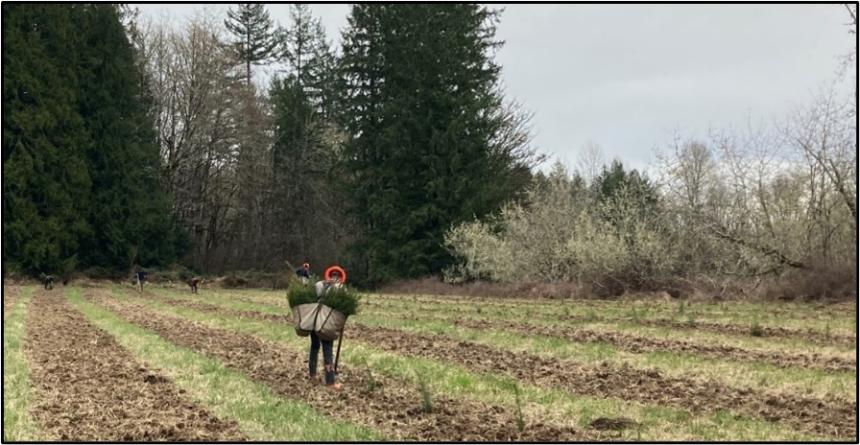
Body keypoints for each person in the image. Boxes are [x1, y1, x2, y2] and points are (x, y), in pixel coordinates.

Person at [309, 270, 344, 390]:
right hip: (326, 320)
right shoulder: (339, 287)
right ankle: (330, 382)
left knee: (314, 346)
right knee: (328, 348)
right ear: (339, 277)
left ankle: (313, 375)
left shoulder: (319, 284)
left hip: (313, 318)